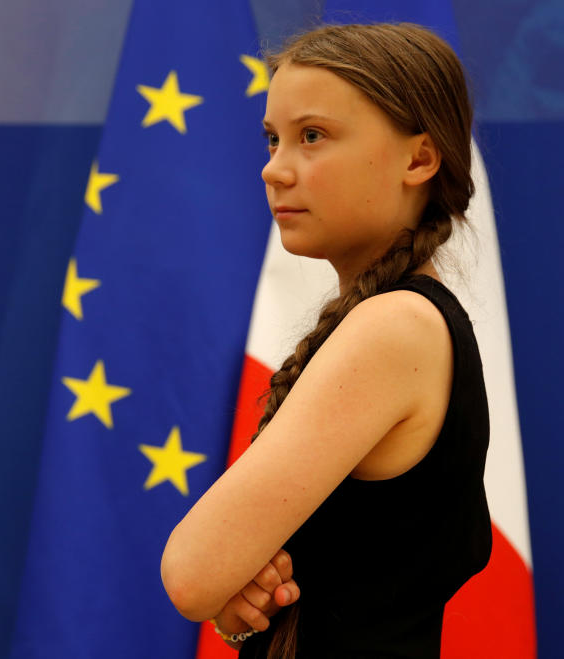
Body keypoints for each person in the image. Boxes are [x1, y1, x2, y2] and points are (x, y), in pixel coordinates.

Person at [161, 22, 492, 658]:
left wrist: (226, 576)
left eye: (312, 137)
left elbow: (192, 573)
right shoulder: (398, 323)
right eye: (272, 139)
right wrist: (244, 599)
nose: (274, 170)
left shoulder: (395, 327)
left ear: (419, 159)